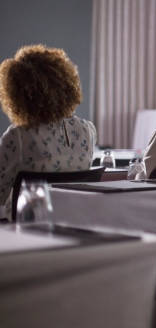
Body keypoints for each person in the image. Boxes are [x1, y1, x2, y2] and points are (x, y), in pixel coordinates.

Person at [0, 45, 97, 220]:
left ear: (17, 93)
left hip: (24, 230)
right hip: (75, 227)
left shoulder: (19, 137)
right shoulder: (87, 131)